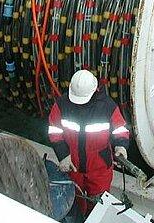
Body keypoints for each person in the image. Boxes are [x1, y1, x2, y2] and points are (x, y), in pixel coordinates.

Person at [48, 70, 129, 215]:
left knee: (99, 203)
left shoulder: (107, 107)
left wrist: (121, 146)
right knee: (74, 200)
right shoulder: (62, 105)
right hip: (73, 165)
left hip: (99, 167)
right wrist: (63, 155)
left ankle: (93, 219)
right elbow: (55, 131)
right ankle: (79, 219)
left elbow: (120, 129)